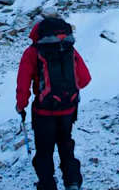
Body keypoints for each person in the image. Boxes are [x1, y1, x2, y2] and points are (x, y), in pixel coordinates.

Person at [17, 16, 92, 190]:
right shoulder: (68, 49)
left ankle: (47, 184)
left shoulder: (32, 52)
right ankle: (72, 181)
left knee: (44, 151)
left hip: (44, 112)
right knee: (66, 145)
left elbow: (23, 84)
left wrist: (21, 106)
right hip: (68, 109)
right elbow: (85, 78)